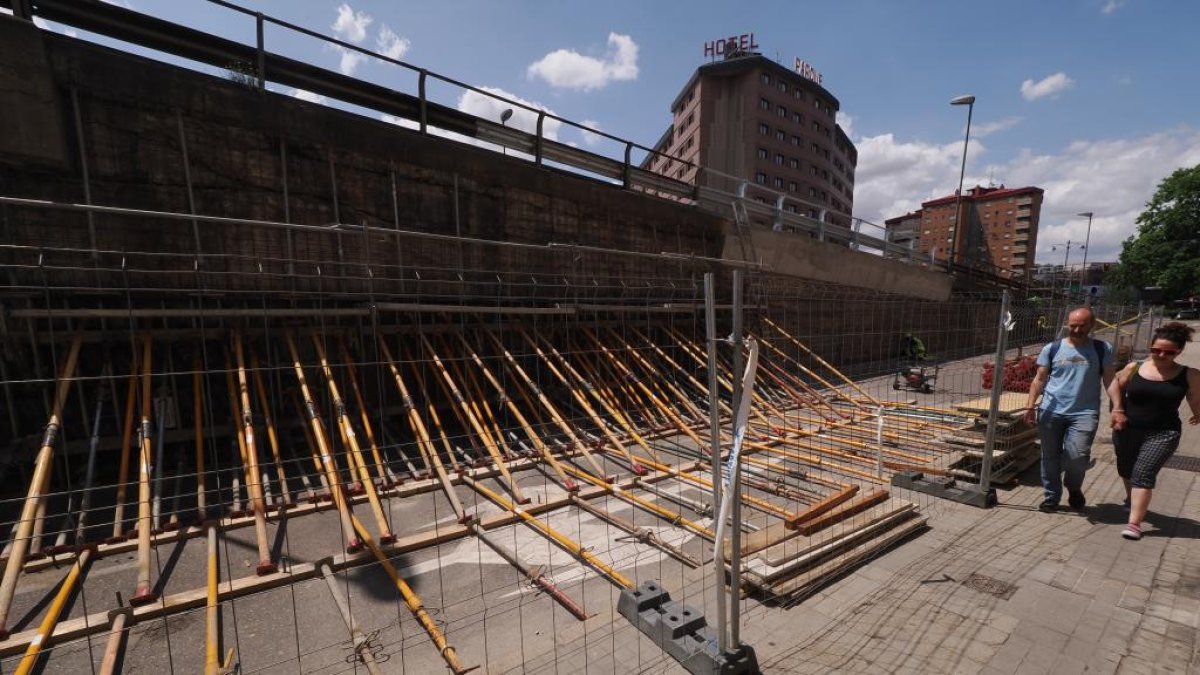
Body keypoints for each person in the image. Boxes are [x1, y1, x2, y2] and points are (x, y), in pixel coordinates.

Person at [1106, 322, 1200, 540]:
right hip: (1127, 429)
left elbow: (1196, 398)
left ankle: (1134, 524)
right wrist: (1116, 410)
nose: (1161, 355)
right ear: (1150, 347)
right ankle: (1132, 499)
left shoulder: (1189, 374)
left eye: (1169, 352)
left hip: (1163, 433)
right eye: (1156, 350)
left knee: (1143, 474)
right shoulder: (1134, 368)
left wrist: (1197, 412)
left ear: (1179, 352)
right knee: (1126, 469)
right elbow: (1115, 387)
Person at [1024, 307, 1116, 512]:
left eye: (1081, 326)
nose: (1075, 329)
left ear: (1092, 325)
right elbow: (1039, 379)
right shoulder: (1052, 348)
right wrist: (1030, 406)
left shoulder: (1102, 349)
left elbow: (1110, 379)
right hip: (1051, 411)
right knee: (1050, 456)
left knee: (1077, 457)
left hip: (1084, 412)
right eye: (1072, 325)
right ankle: (1051, 496)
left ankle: (1073, 487)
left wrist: (1117, 407)